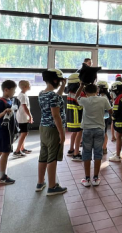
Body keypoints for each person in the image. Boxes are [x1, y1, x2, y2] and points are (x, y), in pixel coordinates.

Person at [36, 68, 68, 196]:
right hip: (53, 129)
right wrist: (61, 133)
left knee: (43, 155)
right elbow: (56, 116)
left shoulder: (42, 93)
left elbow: (56, 97)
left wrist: (63, 86)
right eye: (59, 81)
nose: (59, 83)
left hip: (43, 128)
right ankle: (52, 186)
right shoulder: (53, 96)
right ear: (55, 80)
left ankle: (40, 183)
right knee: (52, 157)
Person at [76, 82, 111, 187]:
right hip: (100, 129)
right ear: (97, 91)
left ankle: (87, 179)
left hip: (87, 130)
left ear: (85, 92)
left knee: (86, 153)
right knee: (98, 153)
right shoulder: (103, 99)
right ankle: (95, 178)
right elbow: (110, 111)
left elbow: (76, 96)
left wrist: (81, 85)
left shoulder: (84, 100)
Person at [65, 74, 83, 161]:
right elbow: (81, 104)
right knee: (79, 134)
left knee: (74, 133)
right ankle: (76, 153)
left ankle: (71, 149)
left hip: (71, 117)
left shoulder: (69, 92)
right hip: (77, 117)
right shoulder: (78, 93)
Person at [13, 80, 33, 157]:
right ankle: (17, 151)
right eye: (29, 85)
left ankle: (22, 148)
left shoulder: (22, 95)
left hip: (22, 117)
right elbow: (24, 107)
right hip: (22, 118)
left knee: (24, 133)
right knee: (24, 133)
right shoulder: (23, 96)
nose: (30, 86)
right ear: (25, 87)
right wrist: (30, 116)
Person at [97, 80, 112, 154]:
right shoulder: (105, 96)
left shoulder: (102, 97)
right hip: (105, 117)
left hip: (103, 117)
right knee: (104, 132)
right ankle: (104, 148)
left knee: (103, 133)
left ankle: (103, 148)